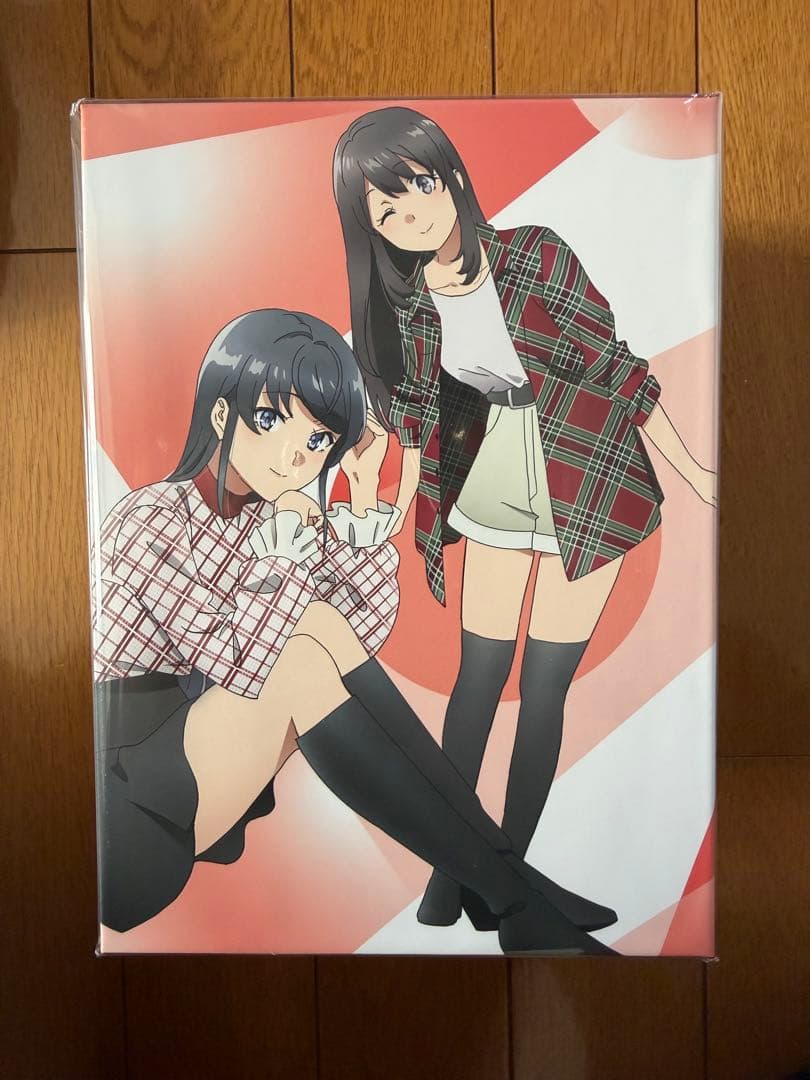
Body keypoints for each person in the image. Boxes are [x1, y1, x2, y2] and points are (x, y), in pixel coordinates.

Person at [92, 307, 615, 955]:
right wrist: (285, 560)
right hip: (127, 818)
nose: (295, 455)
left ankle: (507, 890)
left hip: (195, 774)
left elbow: (356, 632)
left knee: (313, 632)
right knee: (296, 653)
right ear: (222, 415)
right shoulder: (151, 519)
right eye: (270, 419)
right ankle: (513, 890)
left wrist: (361, 496)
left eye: (317, 442)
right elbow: (239, 663)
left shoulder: (265, 520)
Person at [333, 107, 717, 929]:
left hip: (589, 477)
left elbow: (618, 372)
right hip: (494, 476)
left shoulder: (536, 254)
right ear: (373, 232)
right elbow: (418, 418)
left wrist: (695, 474)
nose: (410, 216)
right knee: (479, 677)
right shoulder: (408, 307)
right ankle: (454, 879)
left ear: (451, 175)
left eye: (417, 187)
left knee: (545, 688)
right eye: (386, 212)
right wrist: (393, 499)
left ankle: (506, 890)